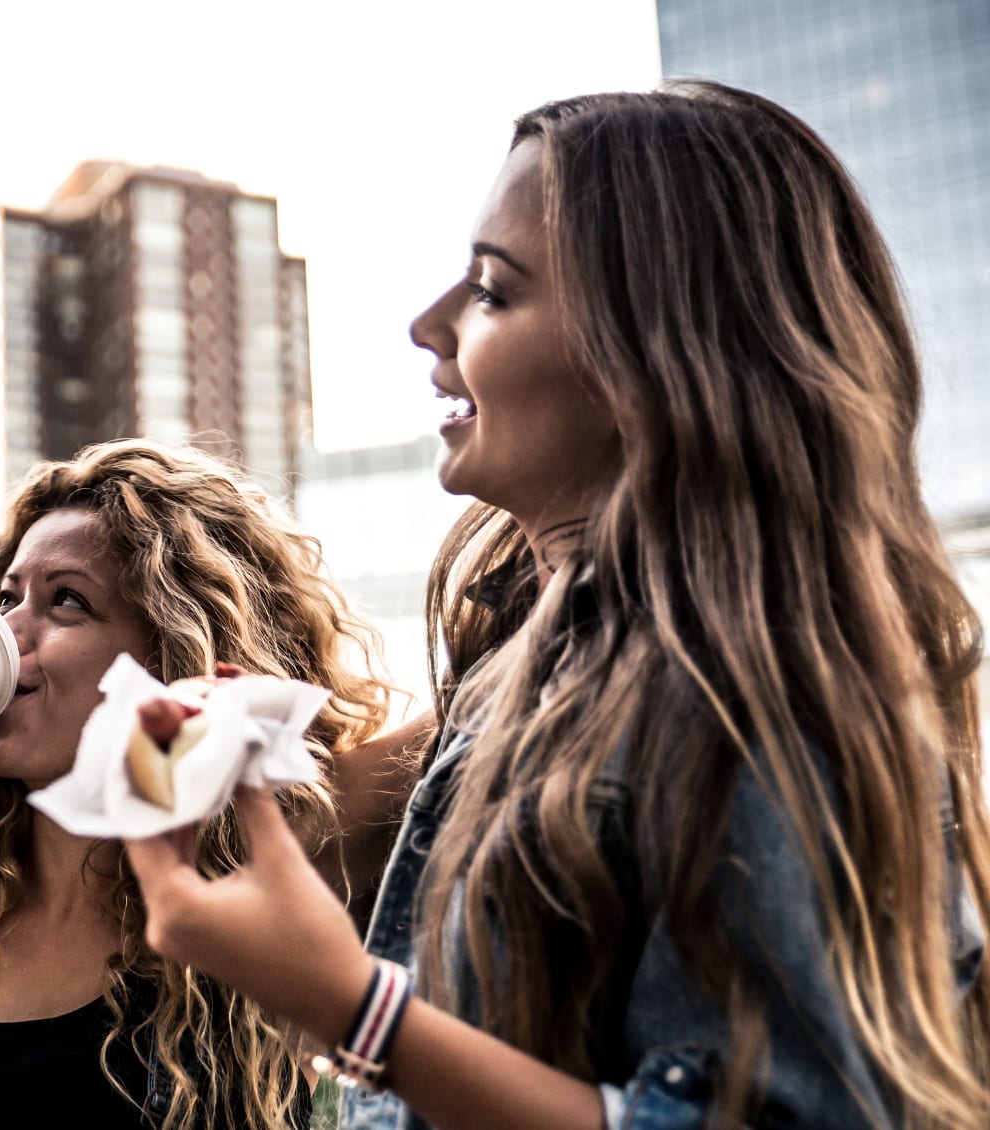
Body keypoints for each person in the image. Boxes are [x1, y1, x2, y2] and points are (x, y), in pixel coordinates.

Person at [124, 81, 990, 1129]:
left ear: (656, 352)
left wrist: (355, 1014)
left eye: (490, 291)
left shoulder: (754, 696)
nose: (426, 324)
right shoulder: (527, 661)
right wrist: (233, 762)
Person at [0, 440, 403, 1129]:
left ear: (179, 651)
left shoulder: (279, 862)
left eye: (67, 602)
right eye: (6, 596)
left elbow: (497, 702)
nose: (7, 630)